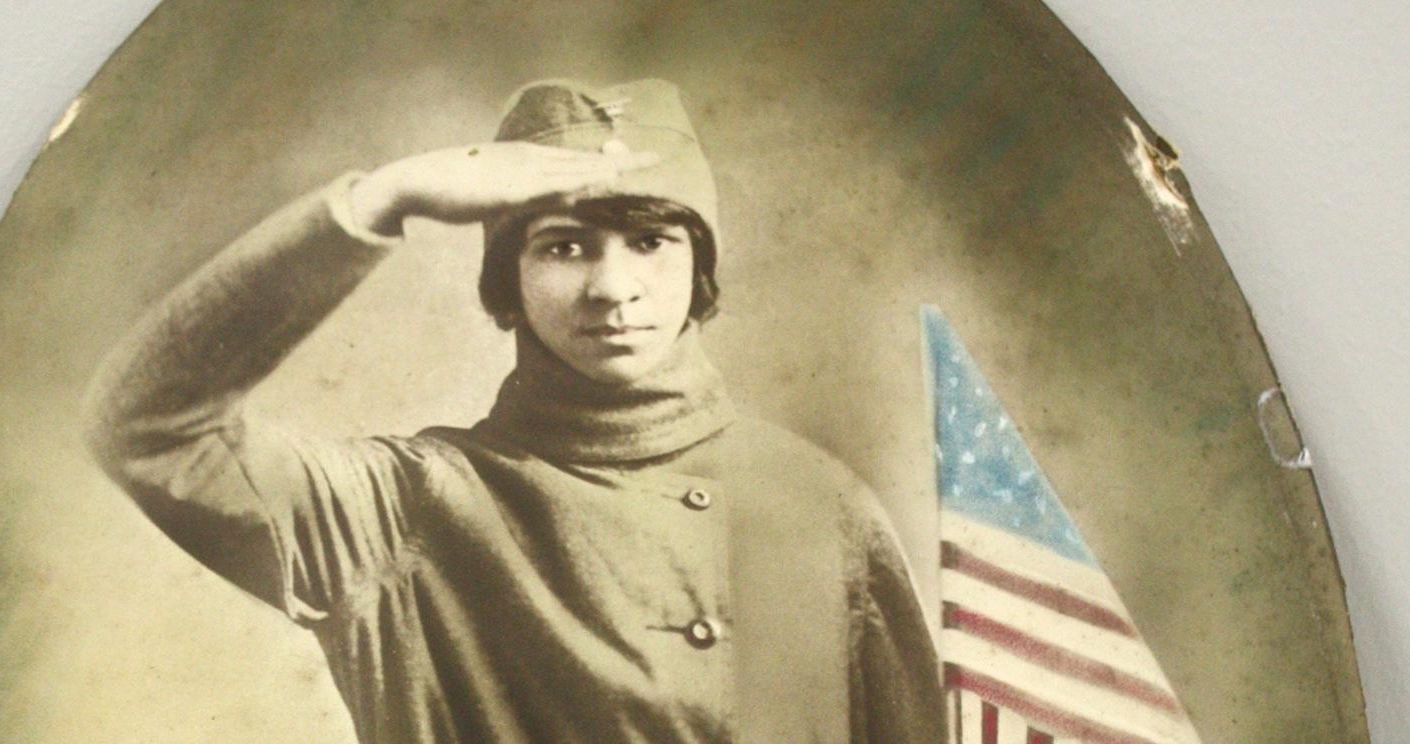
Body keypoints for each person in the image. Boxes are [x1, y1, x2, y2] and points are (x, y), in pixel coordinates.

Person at [82, 78, 945, 744]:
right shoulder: (404, 508)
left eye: (650, 242)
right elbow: (148, 427)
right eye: (563, 247)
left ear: (699, 267)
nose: (612, 288)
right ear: (509, 282)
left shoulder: (817, 503)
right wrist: (382, 200)